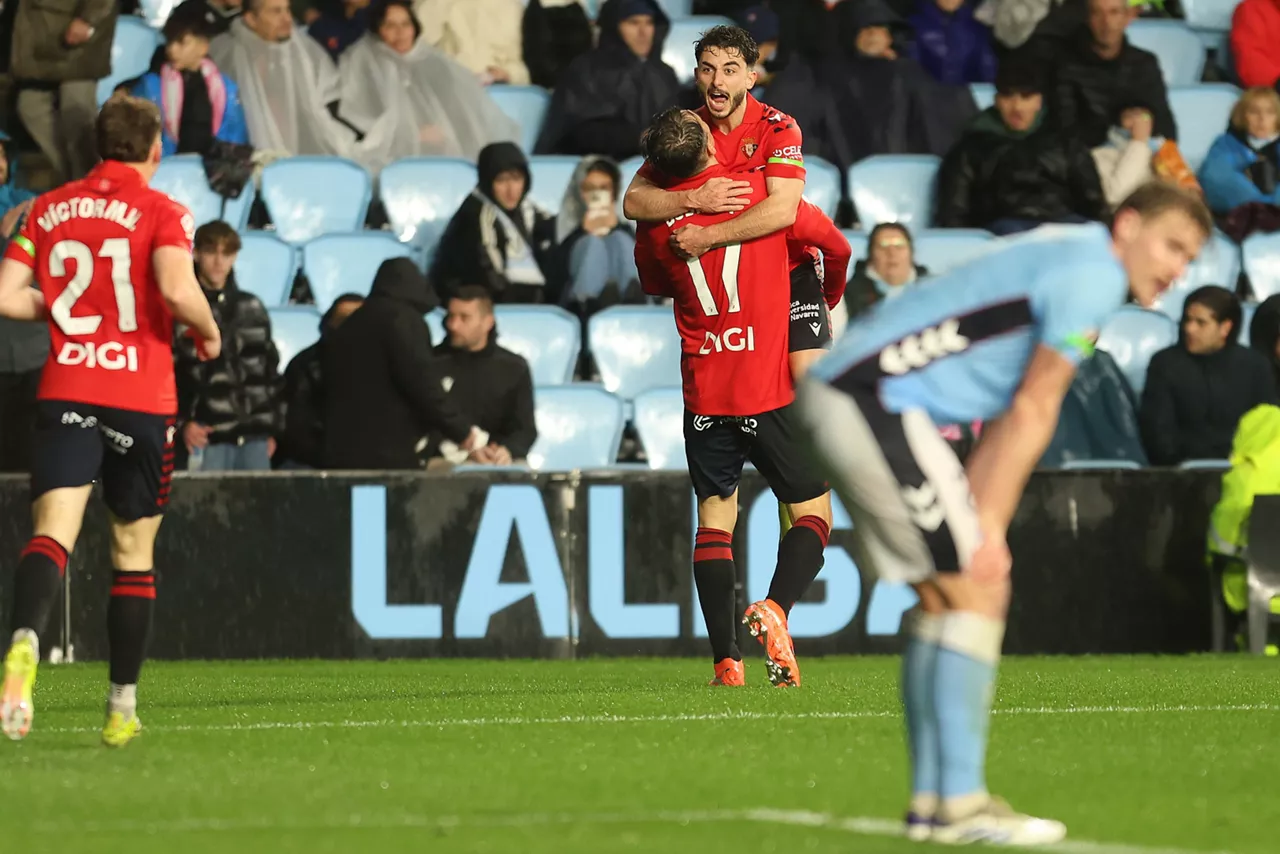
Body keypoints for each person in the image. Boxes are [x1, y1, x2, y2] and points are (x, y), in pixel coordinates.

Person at [794, 181, 1212, 843]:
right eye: (1172, 245)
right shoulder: (1095, 276)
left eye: (1190, 259)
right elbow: (1035, 406)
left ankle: (934, 807)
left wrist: (984, 518)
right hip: (875, 398)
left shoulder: (1067, 250)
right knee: (977, 587)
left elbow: (1008, 403)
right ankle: (960, 806)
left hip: (854, 392)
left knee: (947, 598)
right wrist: (989, 523)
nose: (1177, 268)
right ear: (1127, 224)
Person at [0, 95, 222, 746]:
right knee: (132, 553)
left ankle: (22, 647)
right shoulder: (163, 210)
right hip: (139, 396)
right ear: (156, 150)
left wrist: (70, 311)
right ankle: (121, 706)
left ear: (99, 146)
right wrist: (209, 333)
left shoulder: (47, 208)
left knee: (52, 533)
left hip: (67, 383)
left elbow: (6, 296)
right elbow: (179, 290)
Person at [634, 108, 848, 689]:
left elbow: (654, 280)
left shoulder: (659, 225)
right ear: (708, 141)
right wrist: (825, 297)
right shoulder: (762, 197)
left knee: (715, 518)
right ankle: (777, 608)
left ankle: (726, 663)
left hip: (705, 391)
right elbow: (831, 243)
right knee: (813, 513)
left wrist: (685, 212)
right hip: (764, 384)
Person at [323, 257, 480, 470]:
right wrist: (464, 433)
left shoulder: (352, 324)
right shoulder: (404, 320)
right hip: (388, 453)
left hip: (340, 450)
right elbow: (423, 384)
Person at [337, 0, 520, 171]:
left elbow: (458, 114)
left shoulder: (436, 64)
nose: (400, 33)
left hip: (438, 151)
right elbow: (358, 120)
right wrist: (410, 135)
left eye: (405, 24)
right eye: (390, 25)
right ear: (377, 30)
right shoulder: (361, 64)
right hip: (385, 158)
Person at [934, 59, 1108, 234]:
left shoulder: (1065, 141)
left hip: (1063, 226)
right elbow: (953, 211)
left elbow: (1093, 202)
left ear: (1039, 101)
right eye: (1008, 97)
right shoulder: (970, 147)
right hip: (1003, 231)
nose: (1017, 107)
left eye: (1026, 97)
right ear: (997, 101)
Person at [176, 222, 283, 472]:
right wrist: (182, 425)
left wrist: (273, 427)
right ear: (197, 253)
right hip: (206, 437)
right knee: (208, 510)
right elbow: (168, 374)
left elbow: (269, 372)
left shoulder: (252, 307)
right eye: (212, 252)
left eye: (226, 253)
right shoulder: (180, 309)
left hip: (255, 438)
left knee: (257, 511)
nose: (219, 261)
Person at [1140, 286, 1277, 465]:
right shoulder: (1164, 364)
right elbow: (1158, 435)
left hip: (1244, 470)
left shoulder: (1255, 366)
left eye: (1200, 323)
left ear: (1225, 328)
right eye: (1187, 320)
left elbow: (1267, 428)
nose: (1190, 329)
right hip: (1178, 476)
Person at [534, 0, 680, 160]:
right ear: (614, 27)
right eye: (633, 23)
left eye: (649, 23)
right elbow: (576, 133)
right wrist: (638, 138)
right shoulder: (585, 70)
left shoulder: (665, 74)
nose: (643, 32)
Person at [430, 142, 561, 305]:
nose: (511, 189)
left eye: (516, 179)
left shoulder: (526, 209)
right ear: (487, 181)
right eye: (502, 180)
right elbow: (490, 276)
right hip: (470, 301)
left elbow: (558, 228)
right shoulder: (477, 214)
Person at [426, 286, 537, 466]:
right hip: (445, 460)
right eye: (451, 316)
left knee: (518, 472)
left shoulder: (513, 367)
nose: (453, 325)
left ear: (488, 322)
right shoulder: (431, 363)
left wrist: (506, 450)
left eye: (464, 318)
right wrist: (466, 455)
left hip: (496, 461)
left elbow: (524, 429)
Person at [1049, 0, 1176, 148]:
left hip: (1139, 155)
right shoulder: (1064, 64)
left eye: (1114, 12)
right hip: (1087, 161)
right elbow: (1065, 132)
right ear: (1087, 17)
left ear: (1128, 16)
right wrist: (1119, 122)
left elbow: (1167, 130)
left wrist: (1143, 118)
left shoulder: (1145, 63)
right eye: (1097, 13)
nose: (1106, 22)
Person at [131, 14, 250, 157]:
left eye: (182, 43)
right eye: (170, 42)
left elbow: (236, 134)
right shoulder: (151, 85)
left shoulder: (226, 88)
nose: (172, 49)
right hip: (166, 168)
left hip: (214, 168)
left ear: (203, 46)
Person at [277, 293, 364, 469]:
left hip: (367, 467)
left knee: (371, 493)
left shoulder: (381, 365)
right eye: (344, 318)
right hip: (312, 465)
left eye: (360, 319)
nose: (352, 325)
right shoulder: (305, 365)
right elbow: (296, 428)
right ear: (330, 322)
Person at [556, 155, 644, 316]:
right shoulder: (560, 229)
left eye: (604, 188)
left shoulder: (626, 230)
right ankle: (587, 304)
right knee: (592, 244)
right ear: (579, 191)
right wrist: (582, 231)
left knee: (620, 239)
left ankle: (634, 302)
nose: (596, 195)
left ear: (614, 192)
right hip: (574, 308)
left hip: (626, 303)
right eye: (589, 188)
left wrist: (614, 225)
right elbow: (553, 280)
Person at [1198, 87, 1280, 218]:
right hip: (1237, 221)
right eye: (1254, 112)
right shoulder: (1225, 144)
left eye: (1270, 112)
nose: (1262, 119)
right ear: (1242, 115)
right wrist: (1264, 207)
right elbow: (1218, 179)